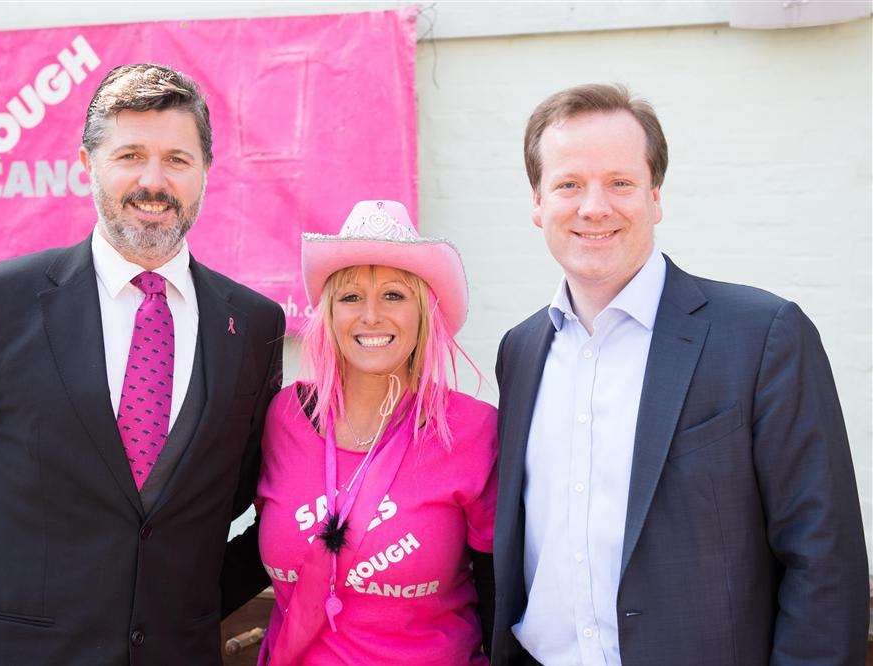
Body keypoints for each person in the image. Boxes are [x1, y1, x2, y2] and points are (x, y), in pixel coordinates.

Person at [0, 63, 284, 665]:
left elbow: (237, 496)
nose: (154, 180)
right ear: (86, 165)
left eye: (177, 159)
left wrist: (178, 602)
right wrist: (20, 592)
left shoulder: (252, 326)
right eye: (129, 155)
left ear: (205, 172)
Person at [491, 84, 868, 665]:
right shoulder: (521, 351)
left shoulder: (762, 335)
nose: (594, 207)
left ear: (655, 197)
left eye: (620, 182)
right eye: (569, 184)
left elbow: (824, 557)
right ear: (538, 201)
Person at [255, 199, 497, 665]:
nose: (370, 316)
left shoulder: (473, 430)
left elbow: (499, 588)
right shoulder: (283, 416)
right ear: (329, 314)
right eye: (350, 297)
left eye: (393, 295)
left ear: (423, 311)